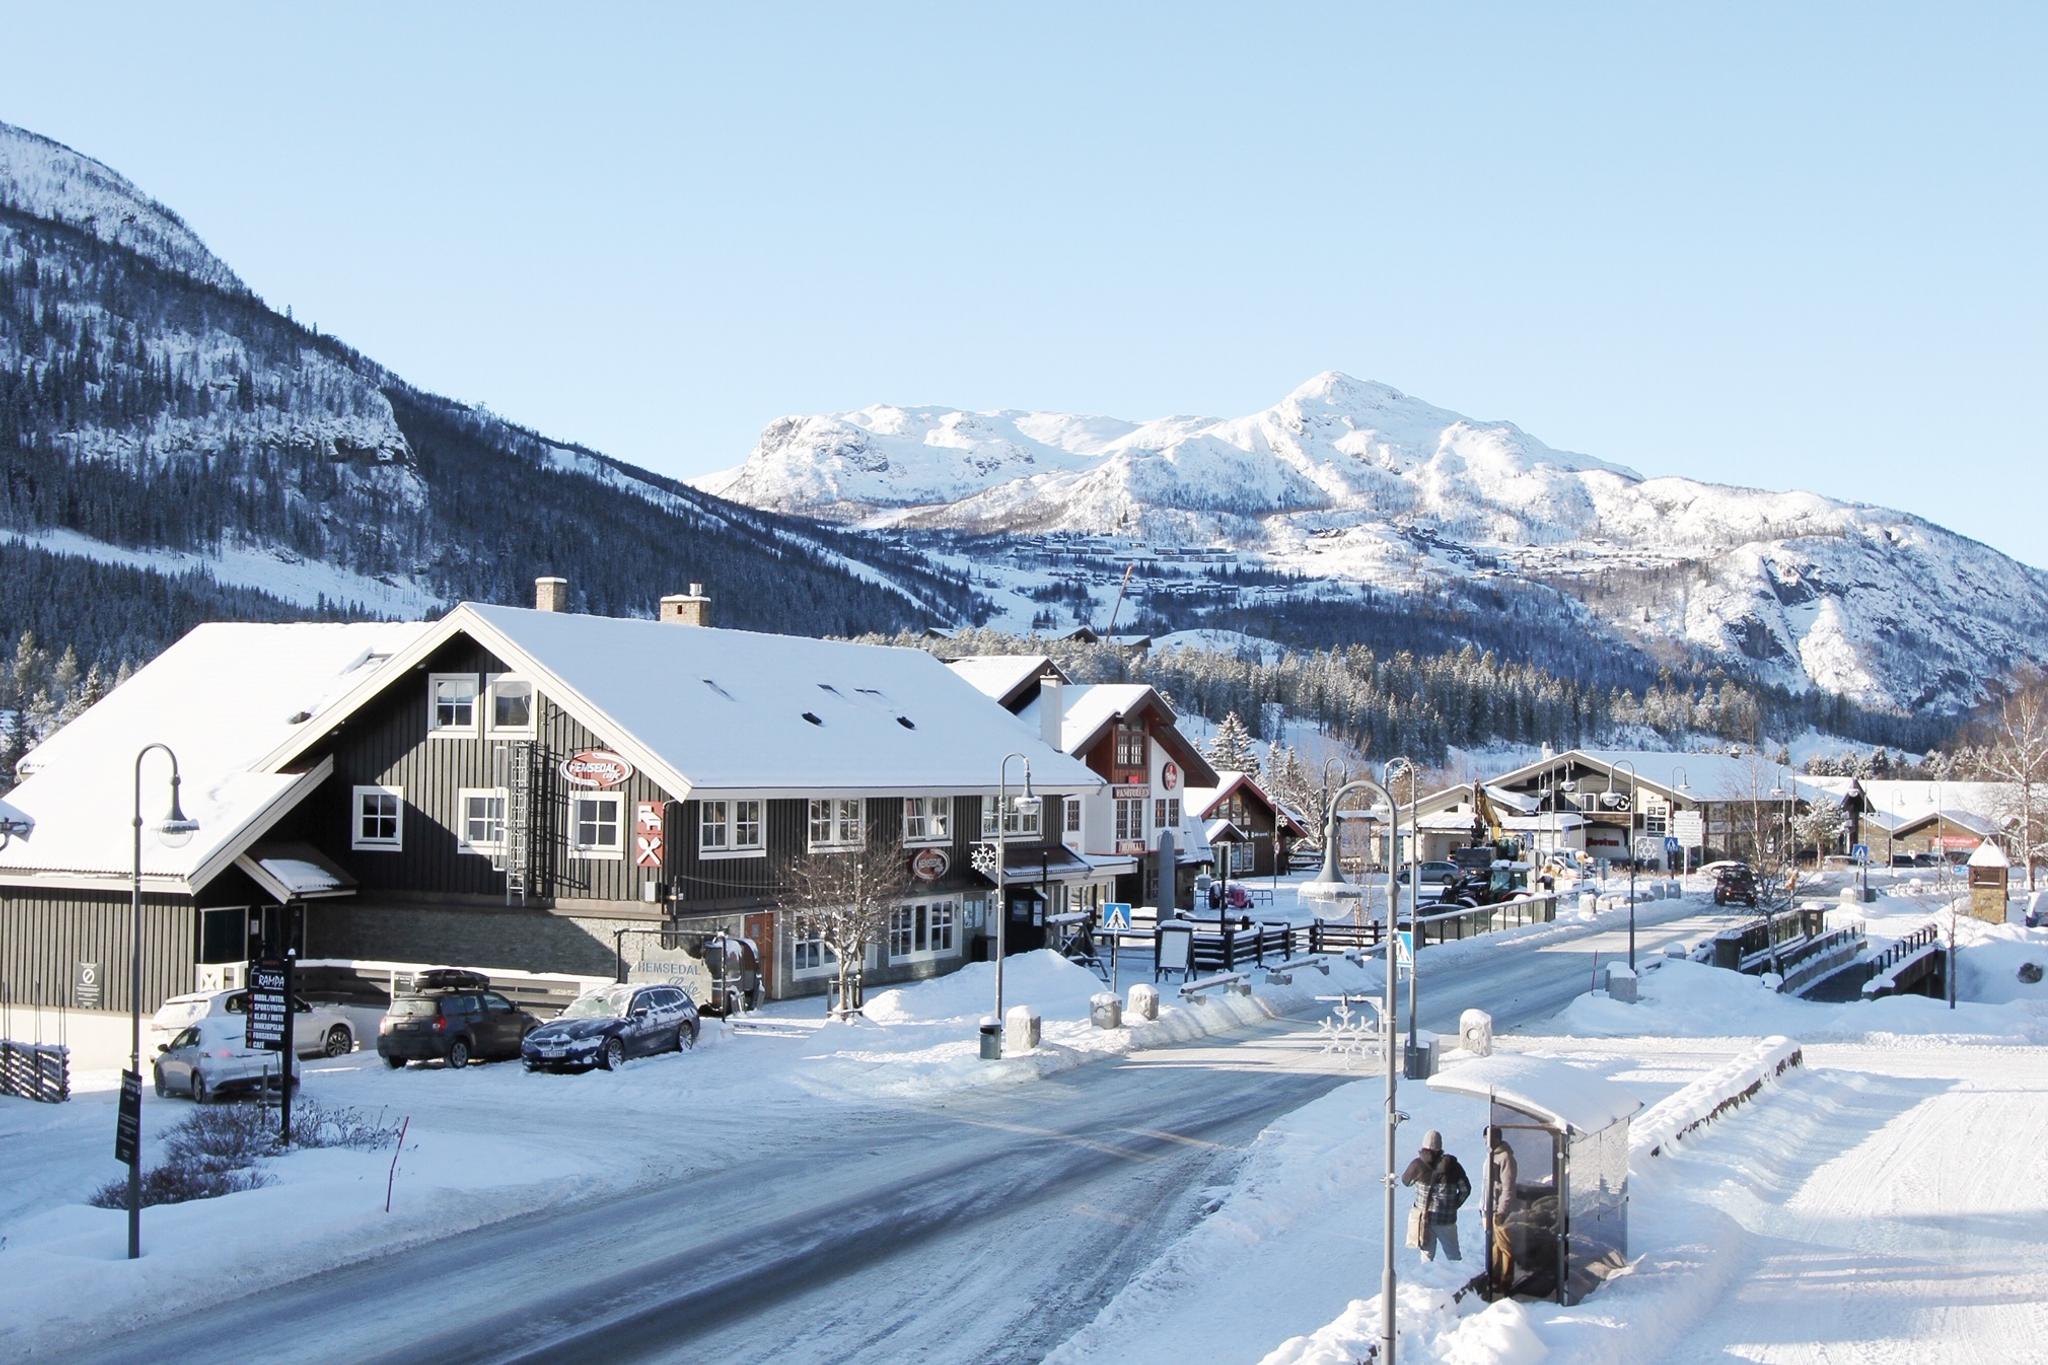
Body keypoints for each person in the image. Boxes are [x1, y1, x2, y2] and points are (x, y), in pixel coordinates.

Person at [1400, 1129, 1471, 1262]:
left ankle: (1427, 1282)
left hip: (1425, 1218)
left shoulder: (1417, 1165)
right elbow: (1465, 1190)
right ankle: (1457, 1281)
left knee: (1427, 1257)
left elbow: (1405, 1182)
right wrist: (1453, 1206)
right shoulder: (1454, 1166)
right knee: (1454, 1256)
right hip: (1446, 1219)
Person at [1487, 1128, 1519, 1290]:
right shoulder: (1490, 1155)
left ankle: (1506, 1281)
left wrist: (1501, 1210)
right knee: (1495, 1245)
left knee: (1504, 1246)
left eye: (1490, 1138)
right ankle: (1494, 1278)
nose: (1487, 1142)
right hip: (1489, 1207)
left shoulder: (1505, 1157)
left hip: (1499, 1210)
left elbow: (1508, 1187)